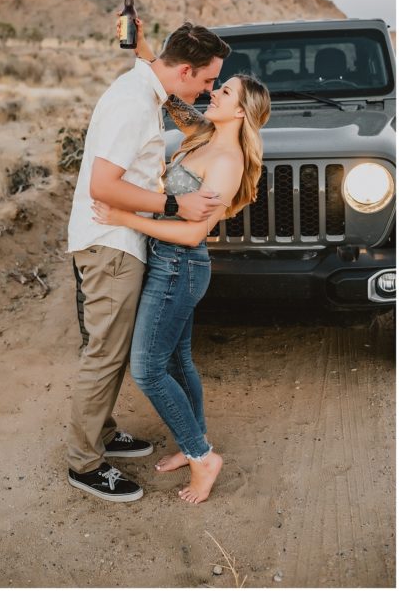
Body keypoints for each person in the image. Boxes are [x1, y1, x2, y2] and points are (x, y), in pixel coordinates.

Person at [93, 25, 271, 504]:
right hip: (171, 263)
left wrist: (123, 214)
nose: (213, 91)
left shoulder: (228, 160)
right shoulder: (204, 132)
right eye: (215, 84)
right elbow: (172, 93)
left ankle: (201, 457)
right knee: (178, 361)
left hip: (179, 265)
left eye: (224, 91)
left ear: (241, 111)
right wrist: (145, 46)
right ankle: (197, 443)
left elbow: (193, 232)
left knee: (148, 369)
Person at [65, 19, 231, 503]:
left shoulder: (147, 90)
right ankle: (85, 462)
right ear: (183, 70)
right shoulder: (133, 103)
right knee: (105, 354)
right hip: (110, 241)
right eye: (205, 80)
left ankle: (103, 430)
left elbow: (181, 109)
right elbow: (103, 186)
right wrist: (177, 206)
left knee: (112, 349)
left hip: (122, 239)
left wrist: (143, 51)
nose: (208, 89)